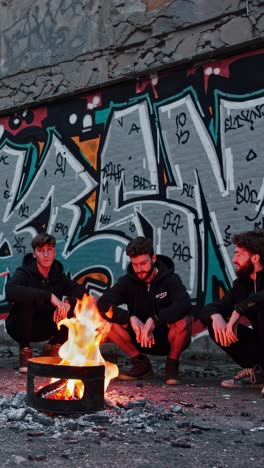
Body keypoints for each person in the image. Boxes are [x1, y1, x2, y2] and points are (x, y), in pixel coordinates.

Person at [97, 236, 192, 384]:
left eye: (143, 263)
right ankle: (141, 364)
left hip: (166, 337)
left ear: (153, 258)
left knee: (184, 320)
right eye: (135, 265)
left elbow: (185, 304)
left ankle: (172, 365)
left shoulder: (170, 279)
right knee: (105, 321)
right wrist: (130, 319)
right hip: (139, 337)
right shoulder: (127, 282)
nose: (139, 270)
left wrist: (155, 320)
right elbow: (103, 304)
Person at [5, 232, 86, 373]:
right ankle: (25, 350)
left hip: (48, 326)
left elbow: (81, 292)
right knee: (26, 300)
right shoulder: (24, 272)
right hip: (21, 326)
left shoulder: (58, 275)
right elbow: (10, 290)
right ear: (34, 254)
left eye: (49, 250)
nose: (46, 254)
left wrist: (67, 303)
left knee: (76, 307)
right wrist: (49, 296)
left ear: (54, 252)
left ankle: (54, 346)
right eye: (41, 251)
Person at [199, 229, 264, 394]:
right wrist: (216, 316)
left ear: (255, 258)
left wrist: (238, 311)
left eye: (239, 254)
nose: (234, 259)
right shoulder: (241, 285)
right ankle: (259, 372)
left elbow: (259, 298)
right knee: (216, 326)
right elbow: (211, 307)